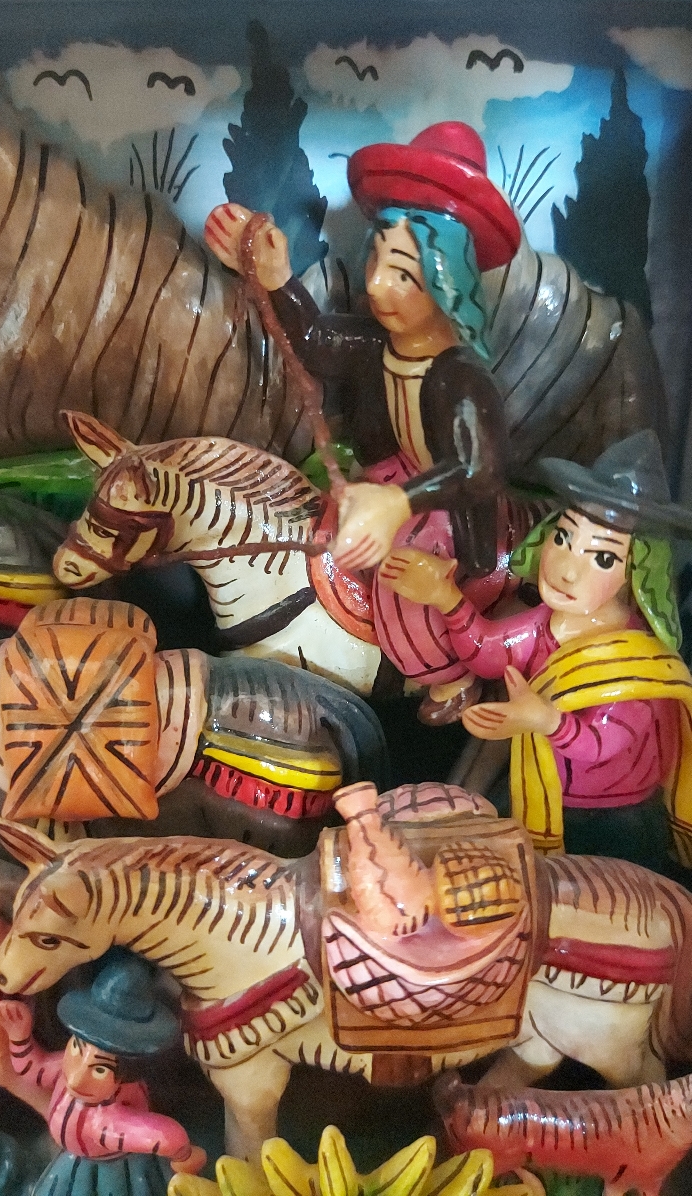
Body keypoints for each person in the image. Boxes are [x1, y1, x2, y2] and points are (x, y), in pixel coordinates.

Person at [205, 121, 521, 723]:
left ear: (448, 285)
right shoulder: (378, 344)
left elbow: (478, 469)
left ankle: (447, 674)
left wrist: (399, 503)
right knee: (325, 533)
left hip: (449, 510)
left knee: (403, 576)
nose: (376, 284)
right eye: (376, 258)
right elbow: (319, 345)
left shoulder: (462, 378)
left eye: (403, 274)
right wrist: (276, 278)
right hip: (388, 479)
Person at [378, 431, 692, 871]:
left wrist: (547, 721)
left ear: (637, 571)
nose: (566, 568)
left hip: (617, 817)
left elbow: (607, 741)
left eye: (602, 558)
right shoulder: (545, 623)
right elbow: (489, 652)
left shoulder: (637, 663)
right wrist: (445, 597)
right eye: (563, 538)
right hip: (540, 792)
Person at [0, 951, 206, 1196]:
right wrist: (19, 1035)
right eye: (76, 1047)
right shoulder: (66, 1067)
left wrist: (185, 1155)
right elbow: (34, 1069)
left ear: (125, 1074)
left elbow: (165, 1135)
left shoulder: (106, 1122)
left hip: (111, 1174)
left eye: (101, 1069)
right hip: (71, 1164)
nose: (76, 1078)